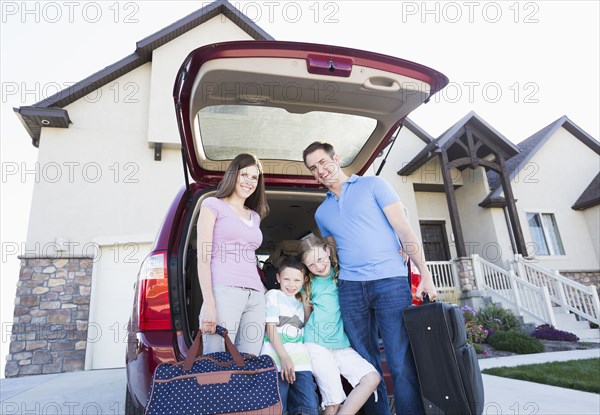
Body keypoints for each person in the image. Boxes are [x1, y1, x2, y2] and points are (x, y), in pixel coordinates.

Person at [302, 142, 438, 415]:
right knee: (366, 363)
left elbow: (405, 231)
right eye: (313, 168)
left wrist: (425, 274)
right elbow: (336, 253)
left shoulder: (374, 185)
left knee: (399, 361)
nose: (320, 170)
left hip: (390, 281)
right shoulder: (322, 213)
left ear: (336, 158)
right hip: (350, 289)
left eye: (323, 162)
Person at [299, 235, 380, 415]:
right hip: (316, 344)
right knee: (333, 403)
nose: (319, 267)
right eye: (312, 265)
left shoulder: (344, 275)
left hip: (341, 344)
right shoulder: (309, 284)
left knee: (371, 378)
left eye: (320, 259)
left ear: (328, 252)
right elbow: (306, 316)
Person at [197, 153, 269, 356]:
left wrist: (264, 292)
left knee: (249, 364)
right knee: (217, 362)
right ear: (233, 175)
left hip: (255, 297)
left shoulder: (254, 216)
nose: (249, 181)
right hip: (224, 292)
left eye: (254, 177)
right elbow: (203, 258)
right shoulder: (212, 205)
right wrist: (209, 303)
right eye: (244, 174)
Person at [260, 256, 319, 415]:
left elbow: (305, 325)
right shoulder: (273, 295)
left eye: (296, 280)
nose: (291, 285)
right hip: (276, 360)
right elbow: (271, 329)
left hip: (300, 361)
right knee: (278, 408)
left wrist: (306, 303)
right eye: (286, 279)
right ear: (278, 278)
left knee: (309, 408)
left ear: (304, 280)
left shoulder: (302, 300)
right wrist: (284, 358)